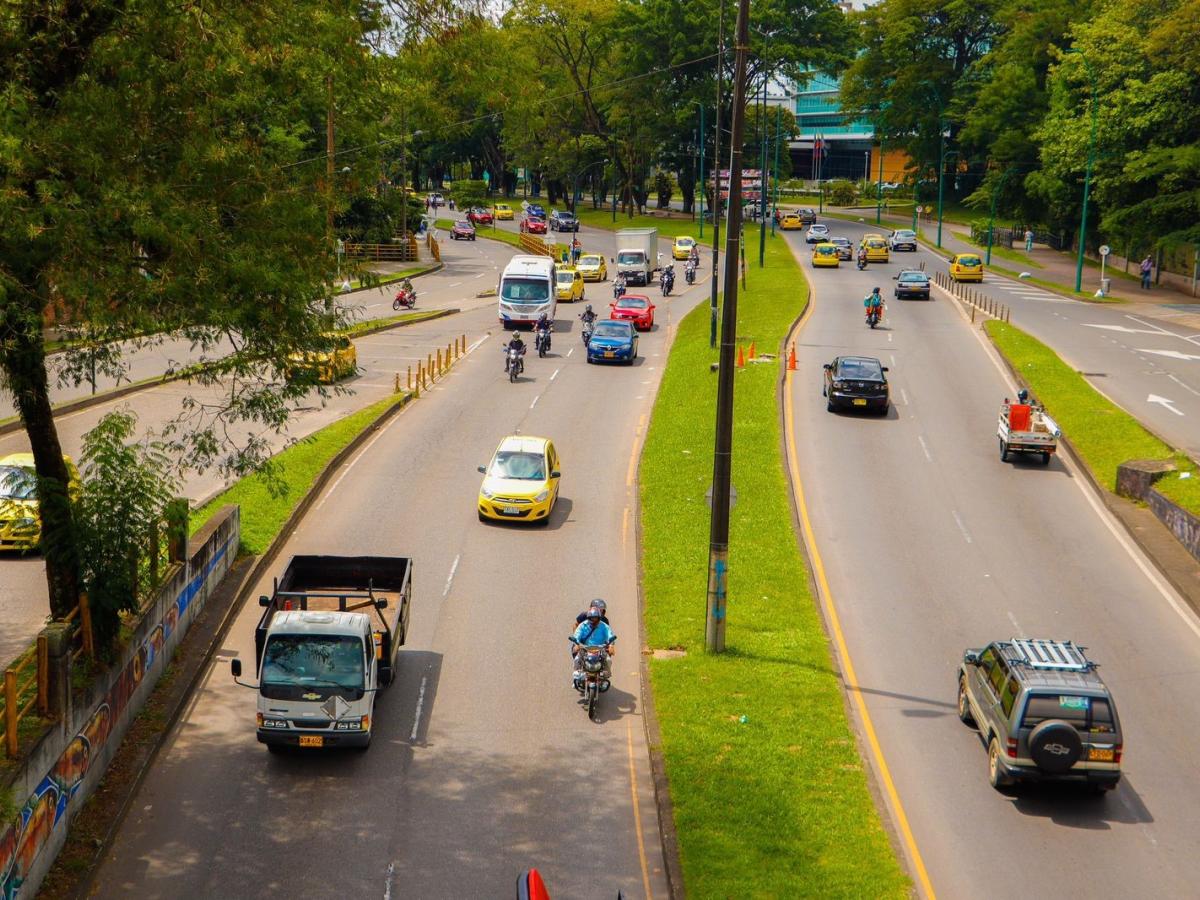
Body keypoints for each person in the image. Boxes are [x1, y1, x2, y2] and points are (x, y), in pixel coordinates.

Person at [570, 607, 616, 688]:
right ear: (588, 618)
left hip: (600, 648)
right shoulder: (583, 625)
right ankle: (576, 677)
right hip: (585, 648)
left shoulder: (604, 626)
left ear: (599, 618)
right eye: (592, 618)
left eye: (596, 618)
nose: (594, 620)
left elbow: (610, 635)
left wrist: (611, 645)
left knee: (608, 660)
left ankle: (605, 677)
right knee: (577, 659)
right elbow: (577, 634)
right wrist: (577, 644)